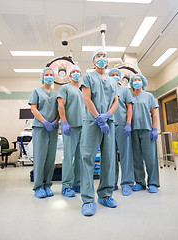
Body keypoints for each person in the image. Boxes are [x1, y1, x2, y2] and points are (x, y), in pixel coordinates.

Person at [80, 48, 119, 216]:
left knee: (109, 158)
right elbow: (87, 99)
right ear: (93, 61)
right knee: (87, 158)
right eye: (98, 56)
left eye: (104, 56)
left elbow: (116, 102)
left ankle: (105, 194)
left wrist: (108, 115)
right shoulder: (88, 77)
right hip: (92, 122)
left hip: (108, 121)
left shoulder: (112, 81)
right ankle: (88, 199)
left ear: (107, 61)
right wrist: (98, 118)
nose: (102, 58)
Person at [29, 67, 59, 198]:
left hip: (53, 128)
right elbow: (33, 109)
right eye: (46, 74)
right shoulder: (36, 91)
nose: (49, 76)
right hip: (40, 128)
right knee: (40, 157)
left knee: (50, 158)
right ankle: (38, 187)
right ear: (42, 77)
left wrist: (55, 121)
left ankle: (47, 185)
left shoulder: (56, 94)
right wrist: (45, 122)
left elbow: (60, 110)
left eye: (51, 74)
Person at [130, 74, 160, 193]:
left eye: (139, 80)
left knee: (150, 157)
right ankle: (140, 182)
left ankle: (153, 183)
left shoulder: (149, 96)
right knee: (136, 158)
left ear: (143, 82)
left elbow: (154, 114)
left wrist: (154, 129)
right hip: (133, 130)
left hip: (147, 129)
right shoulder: (130, 96)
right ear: (131, 83)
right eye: (135, 80)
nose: (137, 82)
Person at [57, 65, 83, 197]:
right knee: (69, 157)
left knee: (80, 157)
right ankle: (66, 185)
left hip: (84, 127)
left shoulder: (84, 90)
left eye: (78, 71)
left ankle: (77, 184)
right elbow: (61, 105)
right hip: (70, 127)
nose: (76, 74)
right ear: (69, 75)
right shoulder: (65, 88)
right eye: (73, 72)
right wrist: (64, 122)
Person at [108, 68, 134, 196]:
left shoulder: (124, 90)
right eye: (112, 75)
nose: (114, 76)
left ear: (120, 77)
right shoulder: (106, 90)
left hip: (123, 125)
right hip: (109, 126)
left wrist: (128, 123)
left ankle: (127, 183)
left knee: (126, 155)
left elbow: (129, 107)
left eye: (116, 75)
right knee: (110, 155)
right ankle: (112, 183)